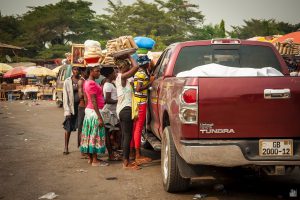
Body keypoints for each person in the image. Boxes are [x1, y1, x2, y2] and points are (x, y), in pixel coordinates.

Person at [115, 55, 140, 170]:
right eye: (128, 66)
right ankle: (126, 162)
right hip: (125, 109)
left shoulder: (120, 77)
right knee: (127, 136)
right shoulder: (122, 77)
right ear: (124, 67)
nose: (130, 68)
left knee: (126, 136)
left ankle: (126, 160)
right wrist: (130, 56)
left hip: (122, 109)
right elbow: (136, 66)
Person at [80, 65, 107, 166]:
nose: (99, 73)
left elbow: (87, 100)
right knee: (95, 135)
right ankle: (95, 160)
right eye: (97, 71)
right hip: (94, 112)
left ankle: (91, 159)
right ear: (91, 71)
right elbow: (93, 101)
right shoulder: (91, 83)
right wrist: (99, 117)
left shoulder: (87, 82)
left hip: (90, 111)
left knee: (90, 134)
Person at [130, 55, 154, 164]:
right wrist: (151, 82)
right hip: (141, 103)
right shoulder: (141, 73)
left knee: (136, 128)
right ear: (144, 64)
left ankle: (133, 152)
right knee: (138, 128)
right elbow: (139, 89)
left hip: (138, 102)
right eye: (147, 62)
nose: (149, 63)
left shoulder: (141, 73)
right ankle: (137, 155)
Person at [100, 66, 121, 161]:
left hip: (112, 111)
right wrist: (119, 100)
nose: (115, 74)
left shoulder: (111, 84)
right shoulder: (108, 85)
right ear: (109, 75)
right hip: (109, 112)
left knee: (113, 133)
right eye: (113, 72)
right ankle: (111, 154)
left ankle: (112, 153)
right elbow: (107, 100)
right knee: (108, 134)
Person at [62, 66, 80, 155]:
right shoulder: (67, 81)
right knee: (68, 127)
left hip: (80, 107)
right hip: (71, 108)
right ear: (72, 70)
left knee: (81, 128)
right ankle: (66, 147)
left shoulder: (82, 80)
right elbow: (65, 97)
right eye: (75, 69)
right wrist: (67, 111)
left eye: (78, 69)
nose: (76, 71)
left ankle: (82, 148)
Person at [77, 67, 89, 149]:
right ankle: (82, 149)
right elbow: (80, 95)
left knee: (86, 128)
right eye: (86, 71)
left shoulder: (86, 80)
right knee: (81, 129)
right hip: (83, 107)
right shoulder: (81, 81)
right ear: (82, 72)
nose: (87, 73)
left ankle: (86, 148)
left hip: (86, 107)